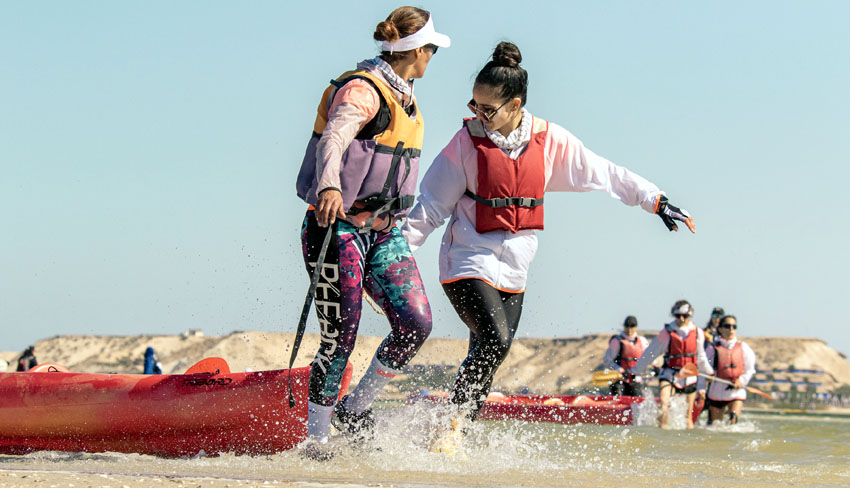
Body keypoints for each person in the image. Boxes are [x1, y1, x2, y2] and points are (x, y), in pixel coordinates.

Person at [401, 41, 696, 453]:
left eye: (488, 110)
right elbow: (429, 208)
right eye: (475, 106)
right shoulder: (466, 144)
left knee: (489, 352)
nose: (478, 116)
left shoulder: (550, 141)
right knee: (495, 341)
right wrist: (393, 260)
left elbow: (605, 173)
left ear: (515, 104)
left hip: (516, 271)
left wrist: (655, 199)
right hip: (465, 260)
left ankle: (451, 436)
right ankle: (450, 424)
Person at [293, 6, 450, 459]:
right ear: (417, 51)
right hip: (336, 228)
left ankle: (354, 409)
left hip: (383, 231)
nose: (432, 58)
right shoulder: (363, 91)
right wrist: (327, 184)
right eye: (431, 50)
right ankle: (316, 442)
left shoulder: (408, 97)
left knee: (415, 323)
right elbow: (335, 137)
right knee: (341, 335)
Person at [634, 300, 714, 429]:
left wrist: (710, 373)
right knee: (663, 403)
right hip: (670, 374)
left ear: (690, 316)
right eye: (678, 316)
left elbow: (701, 357)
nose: (682, 319)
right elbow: (651, 352)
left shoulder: (698, 333)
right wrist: (636, 370)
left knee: (688, 418)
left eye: (685, 316)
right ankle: (663, 432)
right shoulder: (667, 333)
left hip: (690, 377)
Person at [704, 315, 756, 425]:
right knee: (716, 425)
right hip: (717, 390)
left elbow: (750, 369)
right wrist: (705, 380)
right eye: (727, 326)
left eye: (734, 326)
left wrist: (741, 381)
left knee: (733, 420)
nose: (731, 329)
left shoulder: (743, 347)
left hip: (736, 391)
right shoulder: (712, 348)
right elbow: (704, 366)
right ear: (720, 329)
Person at [602, 316, 650, 397]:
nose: (629, 329)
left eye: (632, 326)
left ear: (636, 327)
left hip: (636, 380)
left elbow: (649, 358)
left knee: (638, 402)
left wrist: (655, 366)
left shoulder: (642, 341)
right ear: (624, 327)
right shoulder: (617, 341)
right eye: (627, 326)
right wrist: (621, 370)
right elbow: (607, 361)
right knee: (619, 402)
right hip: (619, 380)